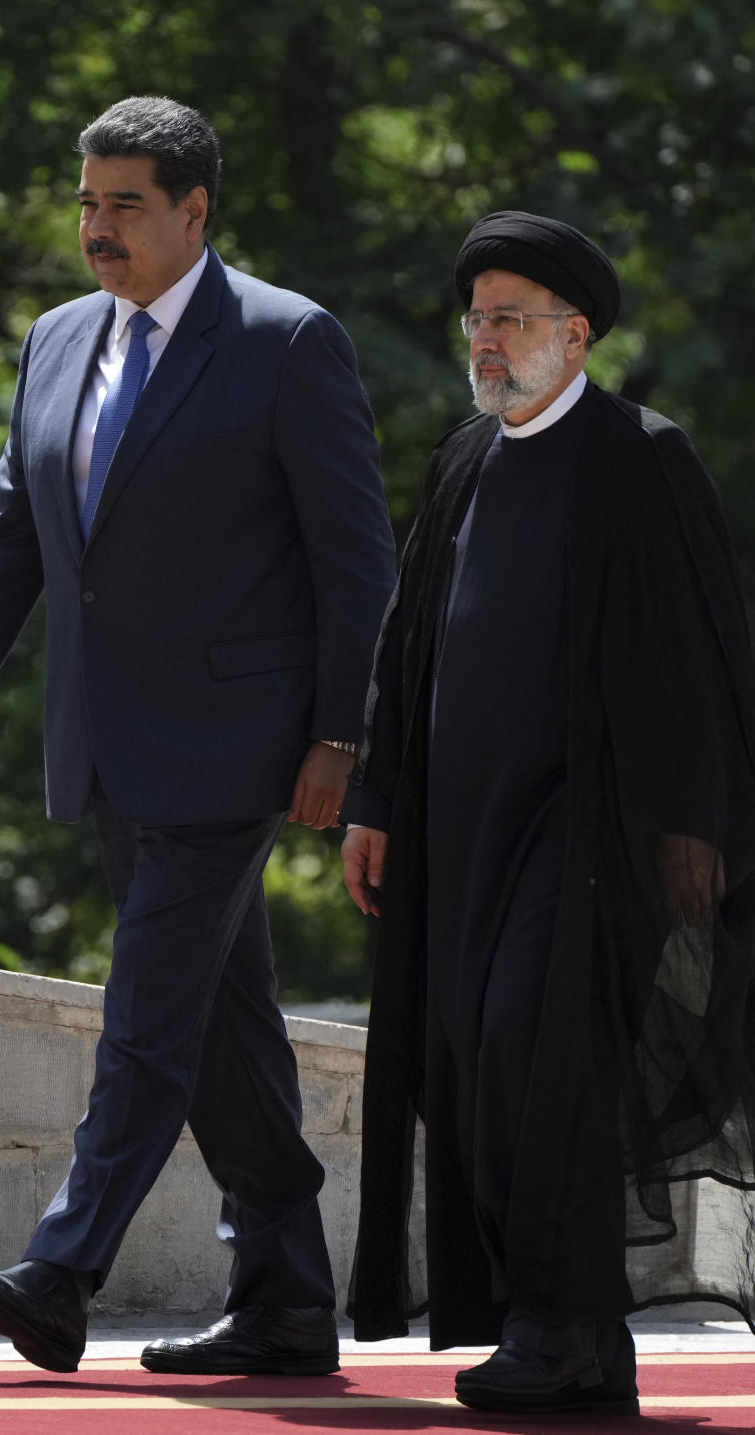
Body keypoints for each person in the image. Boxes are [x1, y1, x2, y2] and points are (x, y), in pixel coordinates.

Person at [0, 95, 396, 1377]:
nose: (96, 229)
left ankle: (61, 1270)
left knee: (149, 1010)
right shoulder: (57, 340)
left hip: (238, 742)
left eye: (124, 205)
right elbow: (9, 542)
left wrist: (348, 734)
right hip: (107, 741)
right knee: (224, 1026)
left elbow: (356, 563)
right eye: (87, 202)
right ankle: (283, 1299)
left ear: (193, 210)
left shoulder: (287, 341)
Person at [340, 210, 755, 1416]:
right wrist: (373, 797)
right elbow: (405, 643)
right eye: (477, 318)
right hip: (457, 833)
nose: (487, 339)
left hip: (583, 834)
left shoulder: (642, 456)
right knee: (474, 1070)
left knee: (542, 1060)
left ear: (576, 336)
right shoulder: (464, 456)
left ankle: (557, 1325)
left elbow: (694, 663)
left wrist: (695, 834)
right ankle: (571, 1340)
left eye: (511, 319)